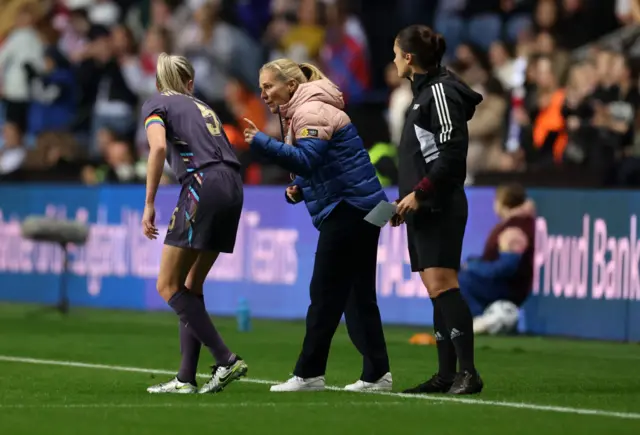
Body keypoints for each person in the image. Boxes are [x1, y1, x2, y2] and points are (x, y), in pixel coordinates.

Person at [243, 59, 391, 392]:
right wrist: (303, 188)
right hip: (368, 207)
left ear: (290, 86)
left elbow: (307, 159)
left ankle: (309, 374)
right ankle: (377, 374)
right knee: (358, 295)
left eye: (268, 86)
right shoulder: (312, 107)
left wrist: (261, 141)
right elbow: (326, 163)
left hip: (349, 208)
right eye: (261, 87)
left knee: (325, 294)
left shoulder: (310, 110)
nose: (263, 94)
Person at [141, 53, 247, 395]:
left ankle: (226, 359)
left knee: (167, 285)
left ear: (159, 84)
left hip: (202, 185)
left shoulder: (157, 104)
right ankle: (186, 378)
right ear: (190, 83)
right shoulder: (205, 107)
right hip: (233, 185)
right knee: (191, 283)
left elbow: (157, 149)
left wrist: (149, 203)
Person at [391, 25, 484, 395]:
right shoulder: (421, 94)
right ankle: (446, 374)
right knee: (434, 287)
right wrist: (407, 200)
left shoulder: (440, 91)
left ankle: (469, 372)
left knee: (444, 284)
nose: (393, 59)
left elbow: (451, 152)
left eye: (396, 53)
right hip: (423, 205)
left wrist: (422, 193)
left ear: (409, 58)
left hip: (440, 204)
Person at [460, 183, 536, 334]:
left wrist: (472, 267)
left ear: (502, 203)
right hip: (506, 285)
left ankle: (480, 319)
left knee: (460, 279)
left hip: (508, 288)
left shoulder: (513, 230)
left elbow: (506, 267)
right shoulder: (513, 225)